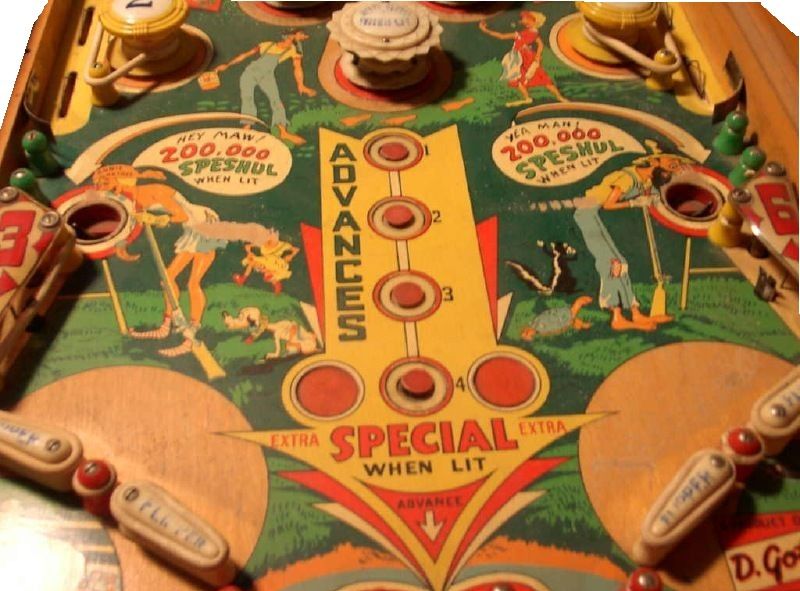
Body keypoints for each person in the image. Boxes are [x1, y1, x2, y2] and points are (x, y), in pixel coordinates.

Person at [92, 165, 226, 356]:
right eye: (101, 186)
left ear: (121, 180)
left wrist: (157, 220)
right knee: (168, 278)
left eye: (108, 183)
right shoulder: (130, 200)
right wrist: (121, 246)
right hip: (191, 228)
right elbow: (130, 223)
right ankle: (166, 326)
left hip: (202, 223)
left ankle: (190, 337)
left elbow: (181, 215)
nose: (105, 189)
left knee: (193, 283)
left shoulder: (154, 191)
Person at [571, 153, 692, 331]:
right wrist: (633, 203)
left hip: (597, 215)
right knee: (613, 264)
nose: (671, 171)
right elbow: (608, 205)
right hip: (587, 214)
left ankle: (635, 313)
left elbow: (654, 194)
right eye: (669, 166)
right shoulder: (627, 178)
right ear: (653, 162)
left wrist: (653, 198)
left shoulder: (648, 180)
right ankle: (617, 318)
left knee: (621, 264)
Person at [214, 30, 316, 146]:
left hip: (267, 75)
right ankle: (247, 129)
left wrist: (301, 85)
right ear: (289, 36)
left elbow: (297, 68)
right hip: (250, 73)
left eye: (304, 36)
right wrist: (228, 65)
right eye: (301, 34)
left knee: (277, 101)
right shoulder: (267, 45)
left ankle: (283, 132)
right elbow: (246, 55)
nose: (304, 37)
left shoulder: (294, 50)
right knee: (248, 99)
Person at [479, 11, 567, 107]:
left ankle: (559, 97)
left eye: (525, 18)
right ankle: (527, 98)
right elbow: (502, 36)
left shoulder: (534, 32)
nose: (523, 21)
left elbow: (540, 45)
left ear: (532, 20)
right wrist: (485, 30)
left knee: (542, 77)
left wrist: (538, 55)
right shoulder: (519, 34)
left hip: (528, 57)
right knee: (516, 78)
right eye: (523, 19)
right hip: (516, 58)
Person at [232, 228, 299, 294]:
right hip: (264, 261)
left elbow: (296, 249)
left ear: (277, 234)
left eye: (274, 234)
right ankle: (242, 279)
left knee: (268, 273)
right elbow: (247, 246)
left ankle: (276, 284)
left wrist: (291, 255)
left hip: (275, 262)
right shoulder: (263, 242)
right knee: (252, 262)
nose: (272, 236)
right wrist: (249, 252)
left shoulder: (283, 245)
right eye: (270, 233)